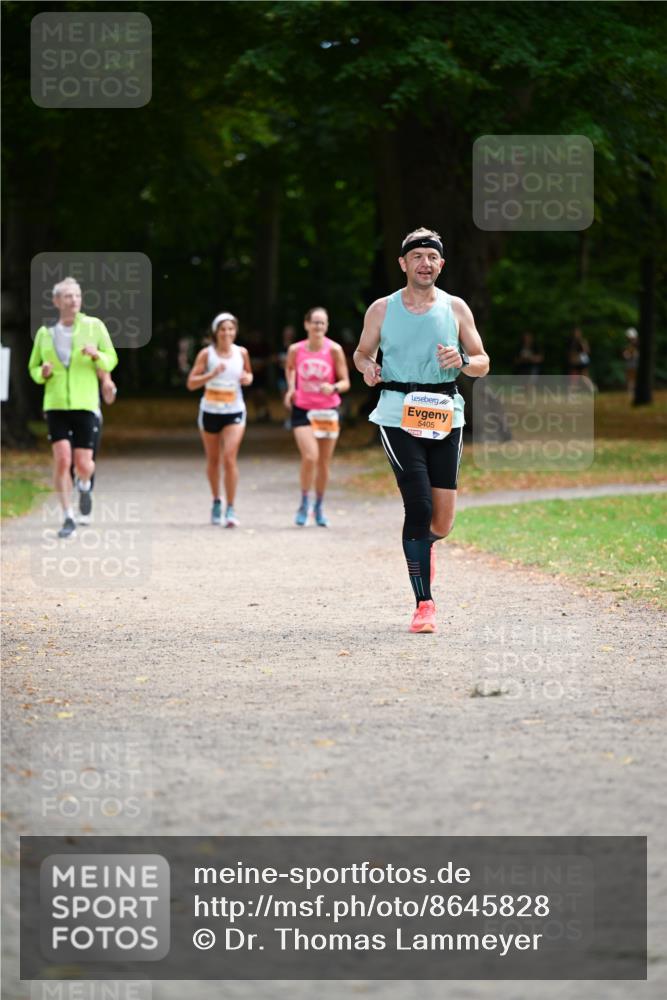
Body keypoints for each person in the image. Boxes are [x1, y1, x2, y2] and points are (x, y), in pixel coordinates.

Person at [353, 227, 489, 634]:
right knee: (419, 505)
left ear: (441, 264)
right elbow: (361, 353)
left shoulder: (456, 308)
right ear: (403, 263)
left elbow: (483, 361)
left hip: (445, 413)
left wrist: (462, 358)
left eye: (432, 257)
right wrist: (368, 368)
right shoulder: (381, 309)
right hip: (397, 412)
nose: (424, 263)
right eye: (417, 257)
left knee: (441, 523)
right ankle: (424, 604)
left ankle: (421, 547)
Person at [28, 276, 118, 538]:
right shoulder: (46, 335)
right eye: (68, 296)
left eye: (77, 296)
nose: (74, 300)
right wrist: (41, 373)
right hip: (55, 404)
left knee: (84, 463)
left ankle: (85, 483)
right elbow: (33, 368)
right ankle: (68, 516)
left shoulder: (94, 327)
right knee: (62, 460)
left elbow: (111, 359)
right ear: (57, 301)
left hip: (86, 404)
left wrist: (97, 355)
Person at [283, 307, 351, 527]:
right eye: (315, 323)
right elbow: (291, 369)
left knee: (323, 462)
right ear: (306, 324)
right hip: (303, 409)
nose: (318, 327)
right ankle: (304, 502)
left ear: (327, 326)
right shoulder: (296, 349)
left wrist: (332, 388)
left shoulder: (334, 350)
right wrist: (291, 389)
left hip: (328, 411)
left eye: (323, 323)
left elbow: (345, 382)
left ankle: (319, 506)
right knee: (310, 457)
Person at [187, 312, 253, 526]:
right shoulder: (206, 355)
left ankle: (231, 508)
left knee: (229, 457)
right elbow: (191, 383)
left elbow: (249, 375)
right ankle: (216, 500)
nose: (227, 333)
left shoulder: (241, 353)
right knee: (213, 460)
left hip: (234, 410)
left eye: (231, 329)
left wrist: (247, 378)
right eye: (223, 329)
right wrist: (211, 374)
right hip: (210, 411)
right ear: (216, 332)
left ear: (235, 331)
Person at [623, 327, 639, 398]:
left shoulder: (634, 344)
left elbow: (631, 354)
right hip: (631, 363)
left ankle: (632, 392)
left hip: (633, 363)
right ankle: (631, 392)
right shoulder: (630, 345)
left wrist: (628, 354)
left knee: (632, 379)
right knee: (631, 379)